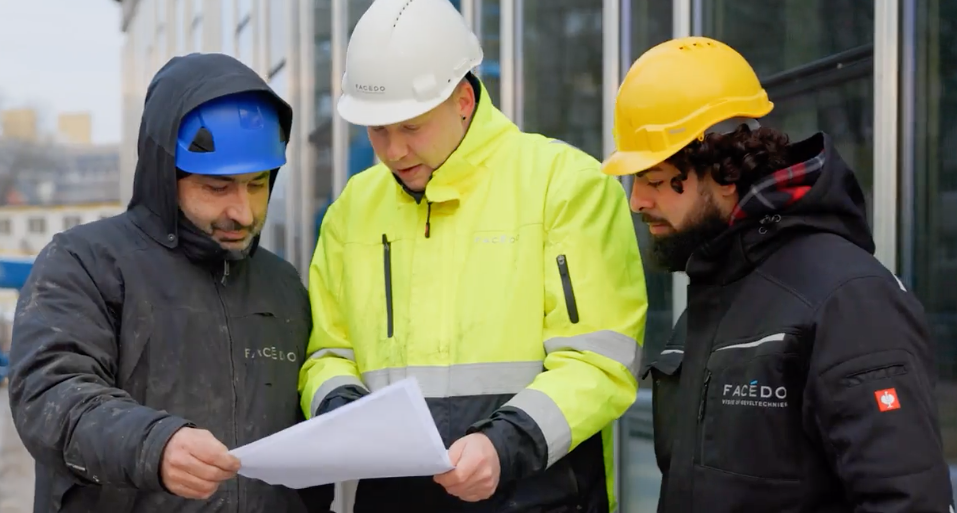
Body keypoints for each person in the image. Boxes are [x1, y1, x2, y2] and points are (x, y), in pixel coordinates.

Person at [298, 0, 648, 511]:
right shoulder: (352, 210)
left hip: (538, 497)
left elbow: (600, 361)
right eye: (378, 130)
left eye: (410, 127)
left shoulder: (566, 186)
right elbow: (328, 355)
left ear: (463, 100)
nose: (393, 151)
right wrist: (340, 408)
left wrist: (505, 444)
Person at [602, 36, 957, 513]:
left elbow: (907, 501)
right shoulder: (717, 292)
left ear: (725, 172)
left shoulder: (849, 299)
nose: (637, 201)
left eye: (655, 179)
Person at [6, 53, 333, 513]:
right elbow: (49, 394)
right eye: (218, 187)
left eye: (257, 184)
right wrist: (153, 446)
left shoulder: (282, 284)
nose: (242, 211)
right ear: (165, 176)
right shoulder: (83, 263)